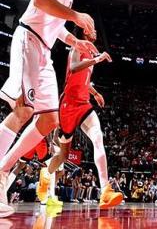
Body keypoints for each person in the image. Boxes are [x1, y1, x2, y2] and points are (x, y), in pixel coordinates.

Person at [0, 0, 97, 217]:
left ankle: (3, 170)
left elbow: (54, 22)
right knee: (22, 110)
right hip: (29, 39)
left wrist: (74, 40)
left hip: (44, 49)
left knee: (49, 120)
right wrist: (76, 16)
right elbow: (40, 0)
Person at [37, 28, 123, 209]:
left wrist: (95, 93)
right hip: (68, 105)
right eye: (92, 27)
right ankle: (46, 173)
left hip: (84, 103)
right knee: (63, 155)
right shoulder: (77, 46)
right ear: (84, 32)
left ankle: (105, 190)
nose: (95, 30)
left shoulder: (90, 51)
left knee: (98, 138)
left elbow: (84, 79)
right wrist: (96, 59)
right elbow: (74, 68)